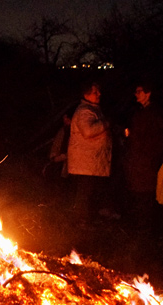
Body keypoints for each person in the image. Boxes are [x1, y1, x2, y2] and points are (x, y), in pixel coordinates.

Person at [123, 81, 163, 231]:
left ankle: (146, 227)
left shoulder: (154, 114)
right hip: (140, 159)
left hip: (146, 161)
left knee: (146, 193)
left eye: (139, 91)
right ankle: (143, 225)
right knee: (141, 192)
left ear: (148, 93)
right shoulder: (142, 112)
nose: (136, 94)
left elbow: (161, 137)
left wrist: (147, 150)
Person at [67, 81, 112, 225]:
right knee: (85, 194)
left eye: (99, 91)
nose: (99, 94)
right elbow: (88, 131)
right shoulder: (84, 111)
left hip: (91, 162)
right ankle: (82, 221)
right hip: (86, 163)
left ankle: (87, 220)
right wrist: (106, 123)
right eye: (95, 92)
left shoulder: (93, 109)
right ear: (86, 94)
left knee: (89, 194)